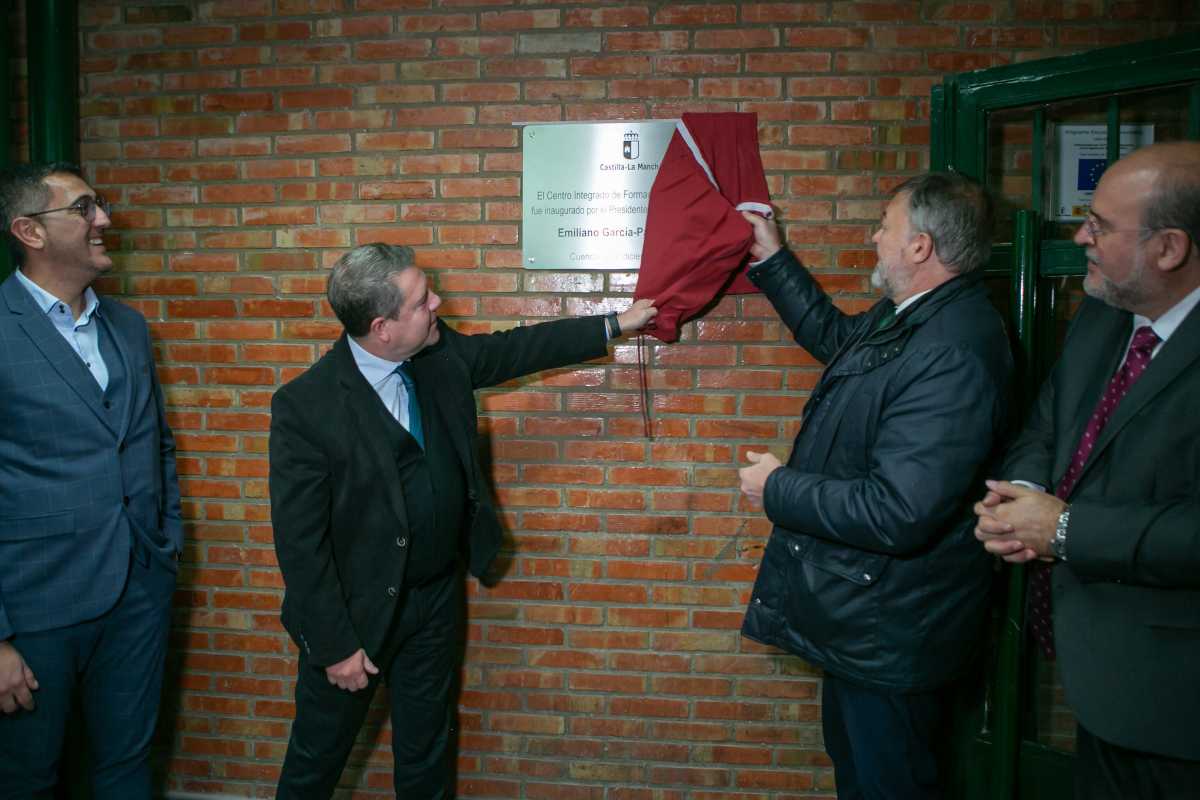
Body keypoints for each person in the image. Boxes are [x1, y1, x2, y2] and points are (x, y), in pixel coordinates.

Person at [269, 242, 656, 798]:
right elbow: (300, 545)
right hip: (355, 619)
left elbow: (517, 350)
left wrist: (617, 322)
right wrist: (334, 646)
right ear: (382, 327)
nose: (439, 303)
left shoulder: (439, 356)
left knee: (427, 756)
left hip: (433, 603)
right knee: (315, 764)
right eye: (424, 301)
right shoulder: (305, 408)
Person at [737, 173, 1012, 799]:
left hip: (893, 629)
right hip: (872, 622)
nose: (874, 237)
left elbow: (899, 509)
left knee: (889, 782)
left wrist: (778, 487)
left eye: (884, 225)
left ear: (919, 247)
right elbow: (839, 341)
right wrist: (775, 260)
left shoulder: (951, 350)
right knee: (861, 769)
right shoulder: (912, 318)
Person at [975, 141, 1200, 798]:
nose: (1080, 237)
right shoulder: (1103, 311)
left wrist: (1067, 530)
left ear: (1169, 249)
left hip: (1179, 710)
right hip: (1100, 685)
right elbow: (1050, 421)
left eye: (1099, 225)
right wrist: (1022, 501)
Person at [0, 163, 182, 798]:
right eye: (83, 209)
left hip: (138, 589)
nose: (103, 220)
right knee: (26, 776)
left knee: (126, 767)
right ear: (30, 230)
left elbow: (155, 446)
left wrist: (166, 544)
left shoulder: (128, 327)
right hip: (33, 609)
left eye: (98, 205)